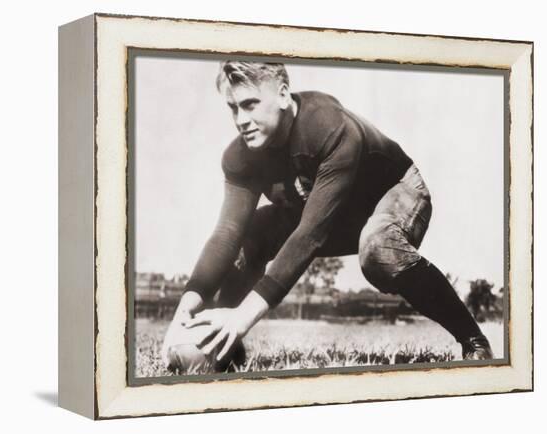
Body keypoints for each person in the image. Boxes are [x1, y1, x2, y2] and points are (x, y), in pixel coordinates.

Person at [161, 61, 493, 371]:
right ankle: (225, 353)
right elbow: (226, 234)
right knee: (245, 241)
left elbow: (310, 234)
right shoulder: (239, 156)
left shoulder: (328, 125)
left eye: (249, 104)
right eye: (233, 108)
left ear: (281, 93)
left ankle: (473, 339)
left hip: (389, 193)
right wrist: (183, 312)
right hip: (320, 211)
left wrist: (242, 317)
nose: (240, 119)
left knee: (378, 250)